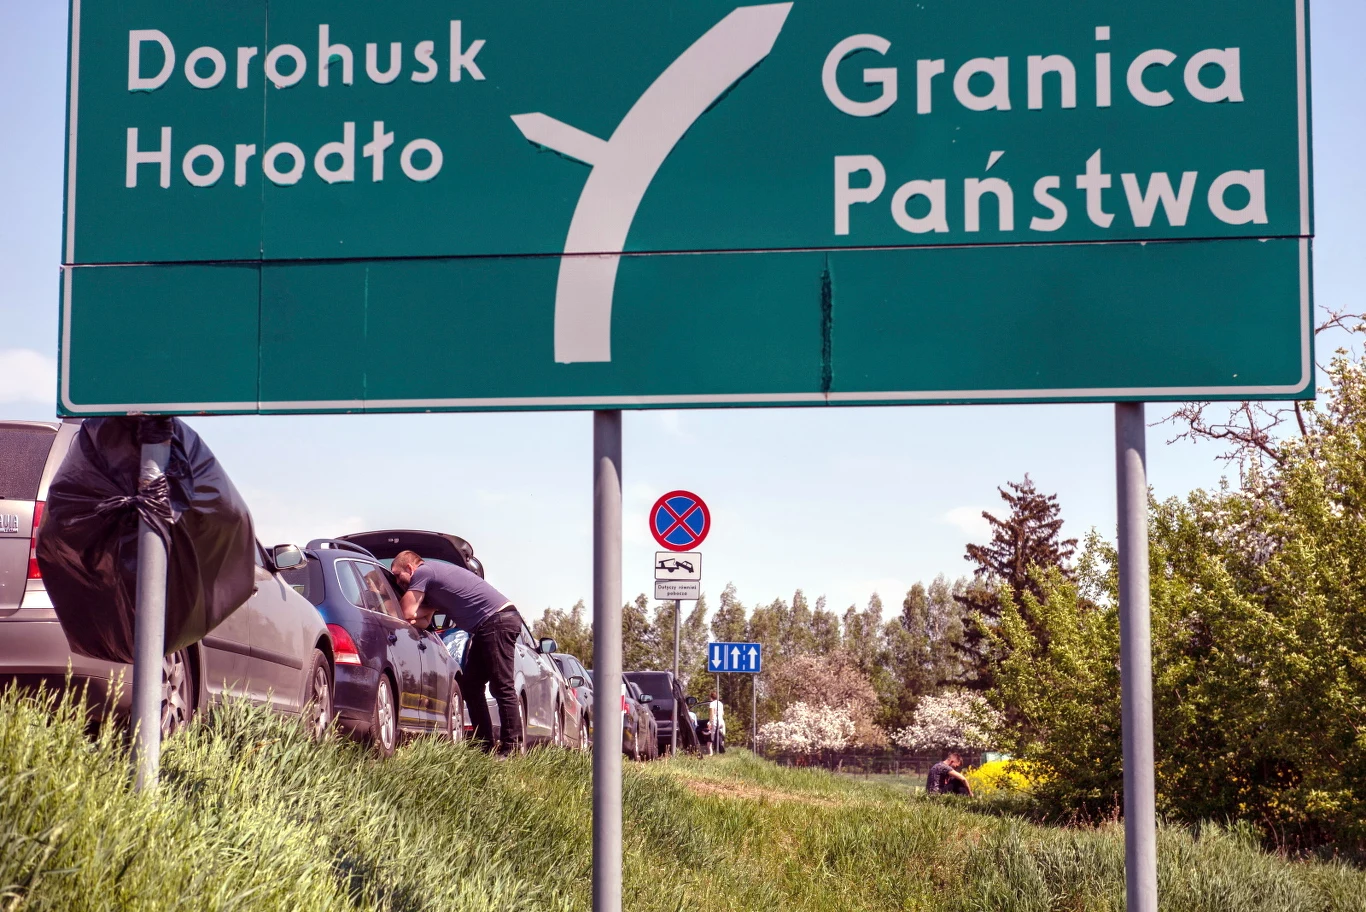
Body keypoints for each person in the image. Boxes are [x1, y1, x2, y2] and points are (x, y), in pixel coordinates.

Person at [391, 551, 523, 756]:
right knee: (471, 686)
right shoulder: (434, 587)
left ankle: (512, 748)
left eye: (398, 576)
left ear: (410, 568)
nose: (398, 582)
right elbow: (423, 620)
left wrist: (412, 611)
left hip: (497, 621)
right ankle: (485, 746)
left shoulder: (424, 572)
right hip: (489, 624)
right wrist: (418, 613)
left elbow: (407, 612)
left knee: (502, 685)